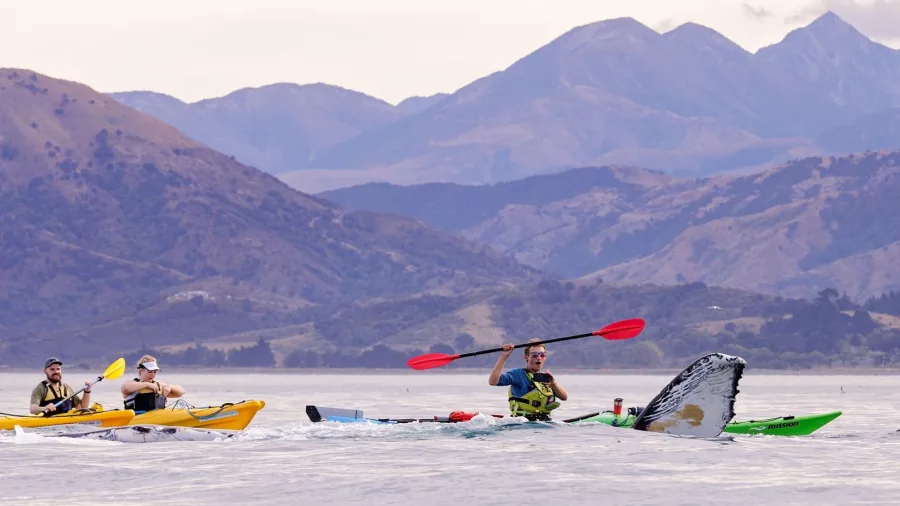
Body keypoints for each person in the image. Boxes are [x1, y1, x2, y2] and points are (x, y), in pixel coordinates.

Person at [488, 340, 568, 421]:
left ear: (545, 357)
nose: (539, 358)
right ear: (527, 357)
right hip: (522, 423)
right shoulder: (518, 374)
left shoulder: (545, 378)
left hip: (544, 423)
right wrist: (503, 356)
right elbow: (493, 381)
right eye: (534, 355)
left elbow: (564, 397)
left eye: (542, 355)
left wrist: (554, 384)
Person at [120, 355, 185, 412]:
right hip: (136, 420)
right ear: (141, 370)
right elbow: (124, 388)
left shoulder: (158, 385)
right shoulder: (132, 384)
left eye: (154, 372)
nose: (152, 375)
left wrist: (170, 387)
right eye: (150, 371)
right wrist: (147, 384)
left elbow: (181, 392)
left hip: (156, 420)